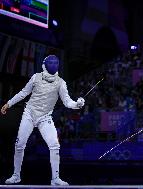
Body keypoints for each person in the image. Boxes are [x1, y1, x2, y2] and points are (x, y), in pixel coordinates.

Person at [1, 55, 85, 186]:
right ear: (45, 65)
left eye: (55, 63)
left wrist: (77, 104)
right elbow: (24, 93)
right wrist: (9, 103)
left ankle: (55, 178)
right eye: (51, 63)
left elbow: (67, 101)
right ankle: (16, 176)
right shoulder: (35, 77)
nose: (53, 65)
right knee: (19, 145)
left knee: (55, 145)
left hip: (45, 117)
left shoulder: (61, 83)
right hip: (29, 114)